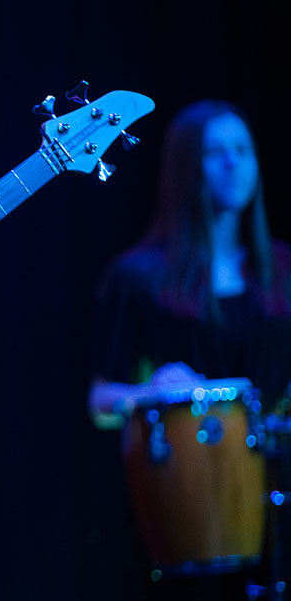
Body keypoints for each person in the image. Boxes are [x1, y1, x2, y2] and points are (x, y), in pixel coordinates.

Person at [88, 101, 291, 598]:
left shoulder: (284, 271)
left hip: (277, 490)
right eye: (215, 152)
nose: (233, 163)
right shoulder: (137, 278)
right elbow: (100, 401)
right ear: (185, 168)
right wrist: (150, 392)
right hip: (182, 505)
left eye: (243, 150)